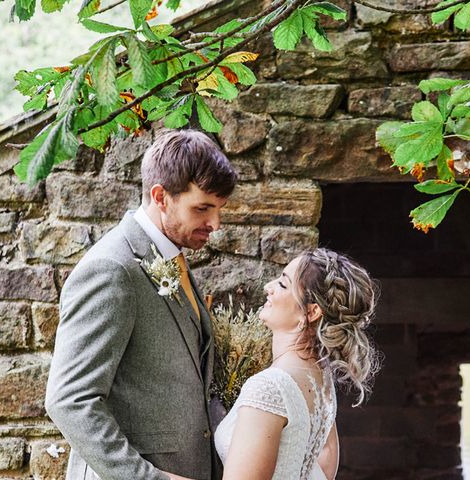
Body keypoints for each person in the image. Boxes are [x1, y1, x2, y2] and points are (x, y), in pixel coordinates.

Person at [45, 129, 238, 480]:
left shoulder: (171, 256)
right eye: (202, 208)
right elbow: (70, 400)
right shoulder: (111, 268)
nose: (215, 224)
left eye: (219, 209)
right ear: (160, 196)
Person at [214, 248, 382, 479]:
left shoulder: (269, 387)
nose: (268, 287)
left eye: (283, 284)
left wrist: (155, 476)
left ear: (311, 311)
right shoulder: (322, 381)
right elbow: (326, 462)